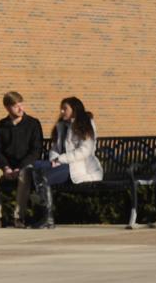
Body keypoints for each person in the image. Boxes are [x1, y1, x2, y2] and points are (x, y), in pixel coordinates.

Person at [31, 96, 103, 229]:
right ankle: (43, 216)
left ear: (74, 110)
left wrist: (61, 159)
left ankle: (47, 218)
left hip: (78, 167)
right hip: (62, 165)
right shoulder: (61, 126)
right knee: (35, 167)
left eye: (65, 109)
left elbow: (85, 151)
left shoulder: (85, 124)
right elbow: (55, 148)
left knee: (43, 178)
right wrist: (55, 159)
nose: (62, 112)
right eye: (61, 109)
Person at [0, 91, 43, 228]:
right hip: (5, 166)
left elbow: (36, 150)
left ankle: (19, 217)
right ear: (7, 107)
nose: (21, 108)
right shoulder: (0, 126)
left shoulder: (33, 124)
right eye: (16, 106)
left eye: (21, 104)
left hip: (24, 166)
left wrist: (20, 167)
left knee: (24, 175)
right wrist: (5, 167)